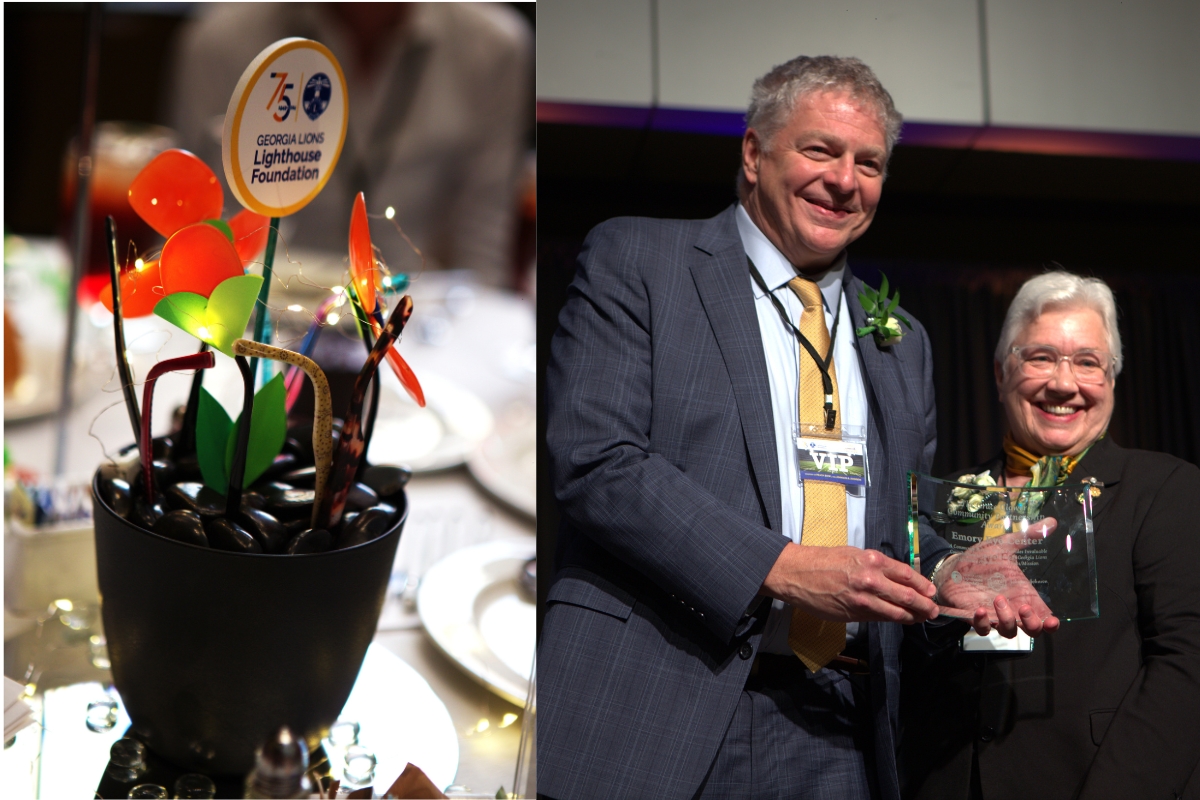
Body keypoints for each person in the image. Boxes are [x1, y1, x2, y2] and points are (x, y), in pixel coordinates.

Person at [541, 56, 1049, 800]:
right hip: (653, 702)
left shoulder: (900, 339)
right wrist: (780, 566)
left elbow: (898, 525)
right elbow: (596, 461)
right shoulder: (642, 261)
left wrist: (946, 571)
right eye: (821, 150)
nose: (845, 180)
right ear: (753, 154)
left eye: (868, 162)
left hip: (837, 726)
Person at [900, 271, 1200, 799]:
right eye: (1040, 357)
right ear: (999, 374)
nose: (1063, 383)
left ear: (1112, 380)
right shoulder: (946, 505)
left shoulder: (1165, 489)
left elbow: (1186, 667)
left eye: (1088, 362)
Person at [164, 3, 532, 286]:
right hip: (259, 304)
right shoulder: (219, 39)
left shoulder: (494, 46)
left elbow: (483, 238)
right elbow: (193, 227)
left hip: (412, 313)